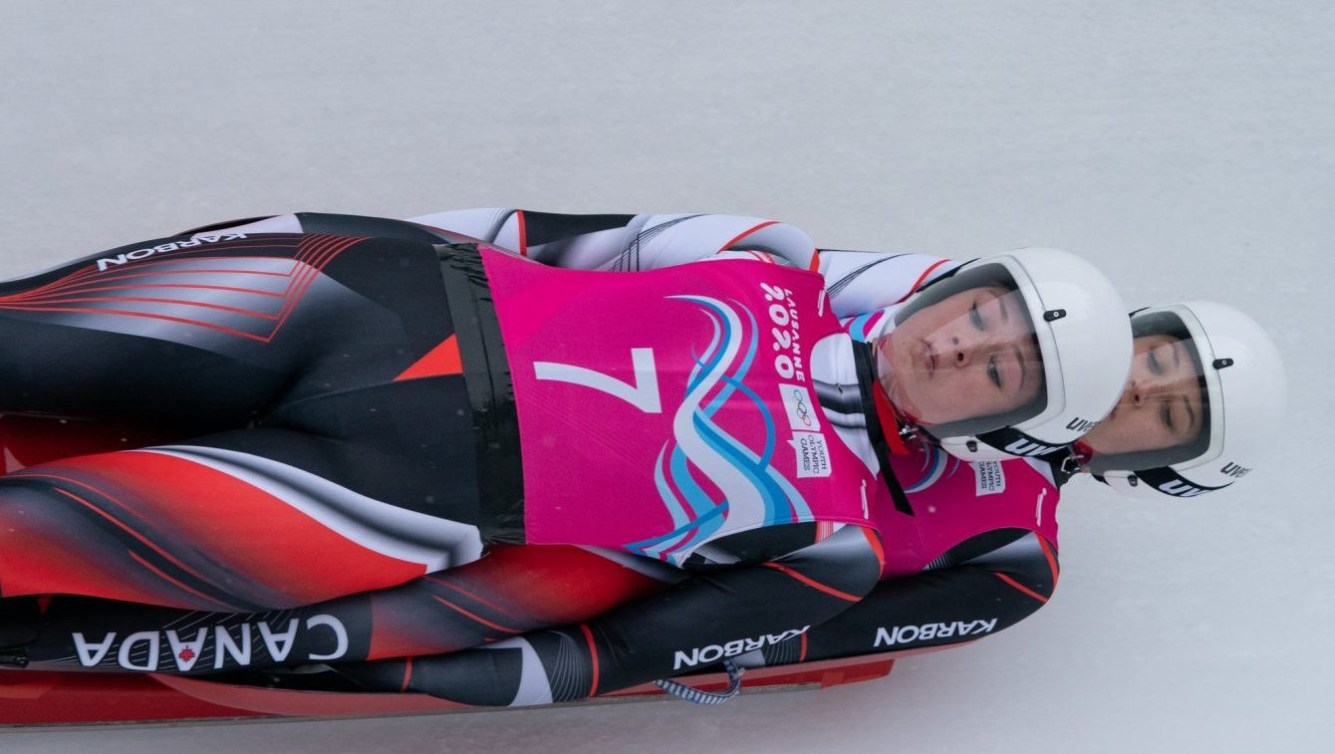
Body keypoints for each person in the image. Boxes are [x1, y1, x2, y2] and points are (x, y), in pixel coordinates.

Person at [0, 210, 1134, 706]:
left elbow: (606, 653)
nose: (954, 343)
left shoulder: (838, 537)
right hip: (368, 301)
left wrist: (372, 667)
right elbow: (525, 229)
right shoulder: (773, 259)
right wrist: (312, 231)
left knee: (24, 535)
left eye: (994, 372)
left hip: (389, 490)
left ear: (1005, 432)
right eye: (981, 314)